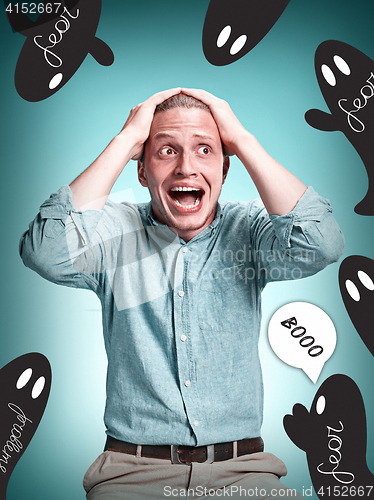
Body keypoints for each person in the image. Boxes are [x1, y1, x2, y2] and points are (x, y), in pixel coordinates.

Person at [19, 88, 345, 499]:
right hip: (131, 475)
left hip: (243, 474)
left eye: (205, 150)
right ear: (141, 171)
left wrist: (242, 140)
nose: (186, 167)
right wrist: (123, 142)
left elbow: (323, 243)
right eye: (166, 151)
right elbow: (45, 252)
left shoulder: (250, 231)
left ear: (225, 169)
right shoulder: (114, 233)